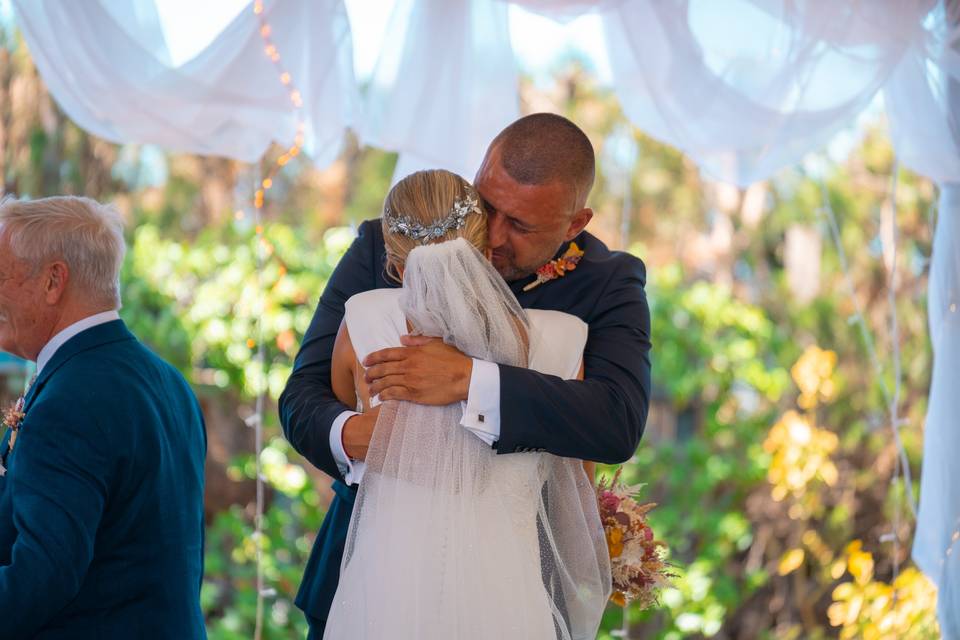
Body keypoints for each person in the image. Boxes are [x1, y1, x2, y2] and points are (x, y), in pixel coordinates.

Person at [280, 113, 652, 637]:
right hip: (368, 575)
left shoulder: (605, 285)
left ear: (574, 224)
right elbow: (302, 393)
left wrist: (469, 380)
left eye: (521, 226)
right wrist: (351, 435)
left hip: (513, 586)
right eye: (487, 206)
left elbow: (616, 420)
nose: (492, 239)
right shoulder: (382, 245)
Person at [321, 169, 609, 638]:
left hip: (385, 591)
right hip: (507, 596)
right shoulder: (563, 339)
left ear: (395, 264)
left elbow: (349, 422)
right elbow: (576, 486)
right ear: (485, 253)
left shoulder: (364, 320)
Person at [0, 196, 207, 639]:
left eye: (1, 276)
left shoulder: (68, 401)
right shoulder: (169, 382)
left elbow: (42, 576)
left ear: (54, 280)